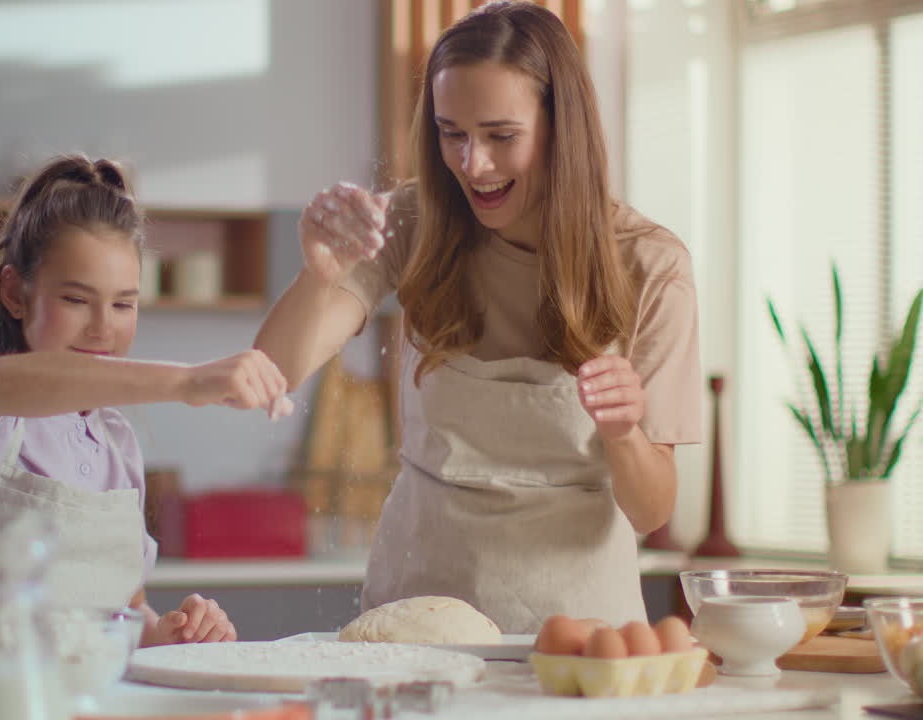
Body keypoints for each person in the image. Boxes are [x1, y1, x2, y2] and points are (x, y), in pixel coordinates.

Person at [254, 1, 701, 634]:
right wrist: (318, 274)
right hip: (417, 616)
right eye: (452, 133)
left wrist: (624, 433)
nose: (473, 164)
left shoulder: (650, 264)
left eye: (501, 136)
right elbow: (272, 370)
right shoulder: (413, 222)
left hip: (573, 631)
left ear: (561, 127)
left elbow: (651, 509)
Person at [0, 154, 292, 645]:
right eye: (76, 300)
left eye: (123, 303)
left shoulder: (115, 441)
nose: (103, 327)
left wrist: (172, 632)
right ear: (15, 293)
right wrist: (187, 382)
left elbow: (126, 613)